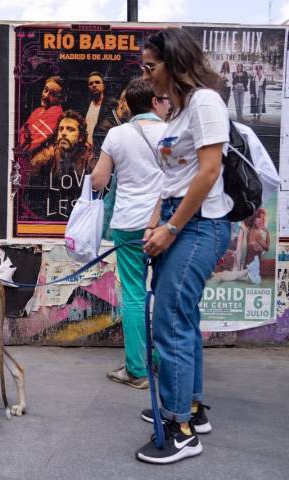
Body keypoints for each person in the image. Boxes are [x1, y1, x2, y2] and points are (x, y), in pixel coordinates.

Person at [137, 28, 232, 464]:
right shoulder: (176, 112)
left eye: (150, 66)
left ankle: (180, 430)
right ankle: (192, 407)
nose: (146, 74)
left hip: (200, 226)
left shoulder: (205, 103)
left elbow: (208, 173)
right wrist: (155, 224)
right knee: (184, 317)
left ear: (174, 64)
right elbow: (172, 179)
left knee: (170, 318)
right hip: (179, 219)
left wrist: (172, 229)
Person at [91, 78, 170, 390]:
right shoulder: (172, 132)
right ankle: (166, 363)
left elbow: (99, 180)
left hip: (128, 225)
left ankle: (136, 370)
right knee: (165, 293)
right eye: (164, 100)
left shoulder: (117, 134)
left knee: (135, 294)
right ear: (153, 102)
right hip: (166, 225)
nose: (168, 104)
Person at [20, 76, 65, 152]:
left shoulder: (56, 113)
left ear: (60, 99)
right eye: (45, 90)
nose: (46, 95)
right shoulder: (38, 110)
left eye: (52, 94)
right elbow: (22, 131)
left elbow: (30, 145)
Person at [84, 71, 119, 150]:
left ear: (103, 86)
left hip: (103, 148)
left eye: (97, 82)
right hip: (86, 149)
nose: (94, 85)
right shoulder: (85, 105)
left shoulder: (111, 104)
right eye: (91, 83)